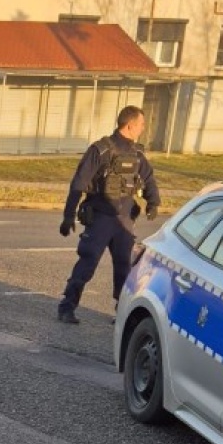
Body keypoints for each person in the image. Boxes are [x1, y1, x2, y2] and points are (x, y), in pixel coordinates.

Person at [57, 105, 161, 324]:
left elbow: (148, 178)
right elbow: (79, 182)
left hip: (124, 221)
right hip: (100, 217)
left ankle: (122, 315)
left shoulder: (137, 153)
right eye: (141, 124)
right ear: (130, 125)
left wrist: (153, 202)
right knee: (88, 262)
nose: (143, 128)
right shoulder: (100, 150)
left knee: (124, 267)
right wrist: (68, 215)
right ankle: (67, 307)